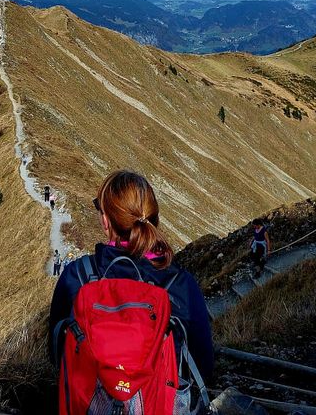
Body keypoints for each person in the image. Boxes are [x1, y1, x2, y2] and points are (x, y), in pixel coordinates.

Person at [49, 170, 213, 414]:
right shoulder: (181, 284)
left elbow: (55, 353)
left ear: (106, 221)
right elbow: (204, 366)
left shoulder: (78, 276)